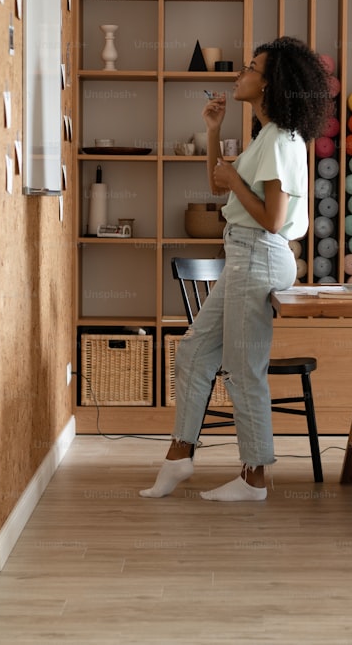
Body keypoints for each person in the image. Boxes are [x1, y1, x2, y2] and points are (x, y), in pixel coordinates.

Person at [140, 37, 331, 501]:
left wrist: (231, 180)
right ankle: (179, 457)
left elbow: (270, 217)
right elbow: (219, 182)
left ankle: (254, 478)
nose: (239, 74)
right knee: (194, 352)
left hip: (259, 252)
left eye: (250, 68)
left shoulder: (280, 139)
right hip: (247, 253)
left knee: (243, 370)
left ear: (270, 84)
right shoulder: (267, 137)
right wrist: (212, 132)